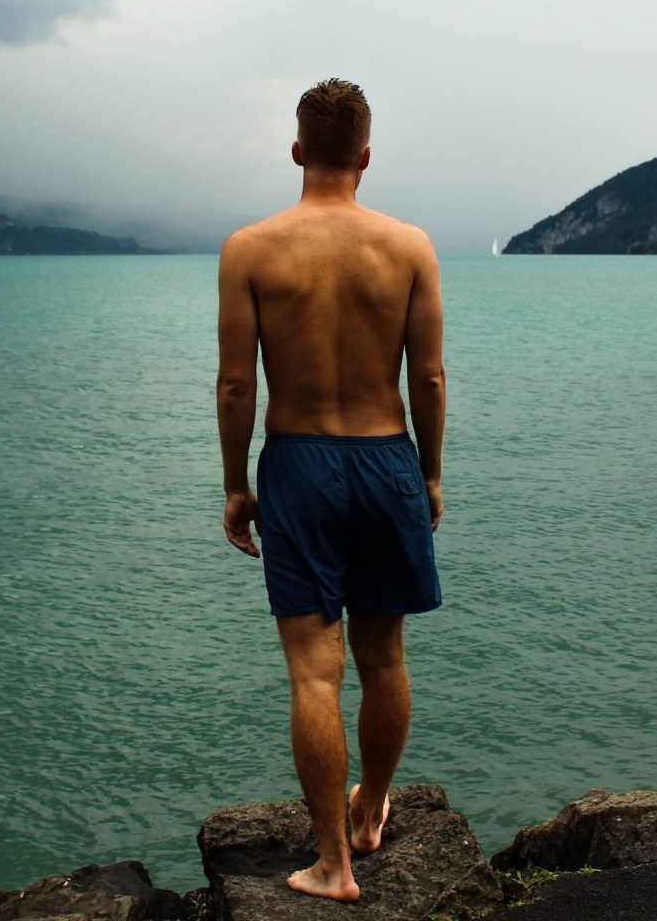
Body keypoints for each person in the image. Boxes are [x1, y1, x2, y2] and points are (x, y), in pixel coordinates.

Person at [216, 78, 445, 902]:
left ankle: (331, 866)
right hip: (386, 457)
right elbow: (427, 372)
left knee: (315, 675)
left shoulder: (250, 247)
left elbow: (236, 384)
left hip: (299, 464)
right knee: (383, 658)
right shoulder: (409, 246)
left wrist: (236, 484)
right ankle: (371, 809)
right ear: (367, 157)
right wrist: (429, 473)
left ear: (297, 150)